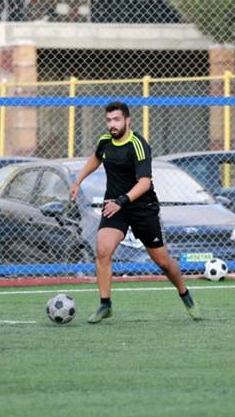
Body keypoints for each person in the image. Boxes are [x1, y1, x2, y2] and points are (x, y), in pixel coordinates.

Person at [70, 101, 201, 323]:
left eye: (116, 119)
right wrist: (78, 180)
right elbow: (97, 157)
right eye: (109, 120)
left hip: (142, 208)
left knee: (163, 262)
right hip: (115, 206)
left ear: (128, 121)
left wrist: (122, 201)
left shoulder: (138, 145)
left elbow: (144, 183)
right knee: (102, 250)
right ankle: (105, 304)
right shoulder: (105, 141)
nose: (112, 124)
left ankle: (184, 293)